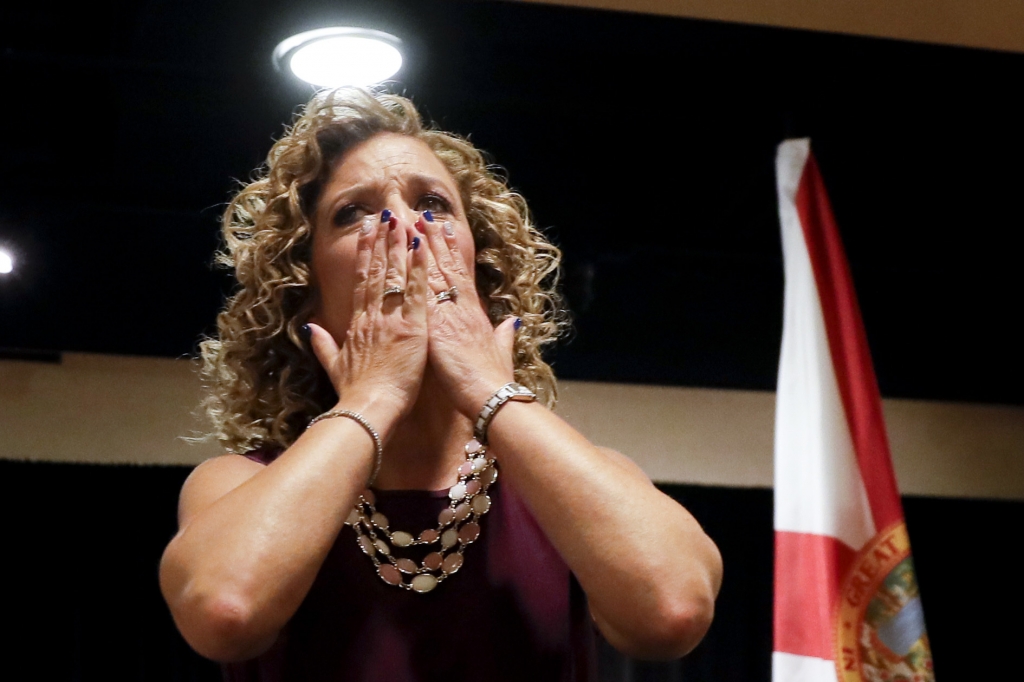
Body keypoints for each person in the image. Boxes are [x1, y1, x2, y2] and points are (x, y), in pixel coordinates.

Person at [159, 87, 723, 681]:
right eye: (353, 212)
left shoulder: (575, 479)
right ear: (306, 299)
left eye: (433, 204)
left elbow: (673, 610)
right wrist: (373, 397)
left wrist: (488, 388)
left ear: (481, 271)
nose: (403, 226)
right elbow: (226, 610)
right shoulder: (240, 482)